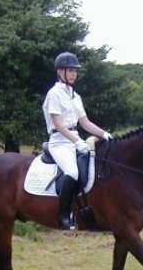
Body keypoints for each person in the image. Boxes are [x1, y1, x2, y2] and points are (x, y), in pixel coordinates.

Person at [42, 51, 113, 230]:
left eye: (75, 70)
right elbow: (58, 124)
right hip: (59, 141)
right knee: (72, 173)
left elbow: (85, 122)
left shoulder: (76, 96)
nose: (74, 73)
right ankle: (63, 216)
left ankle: (87, 212)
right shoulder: (54, 94)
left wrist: (104, 134)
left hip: (74, 139)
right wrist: (77, 141)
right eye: (70, 70)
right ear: (60, 72)